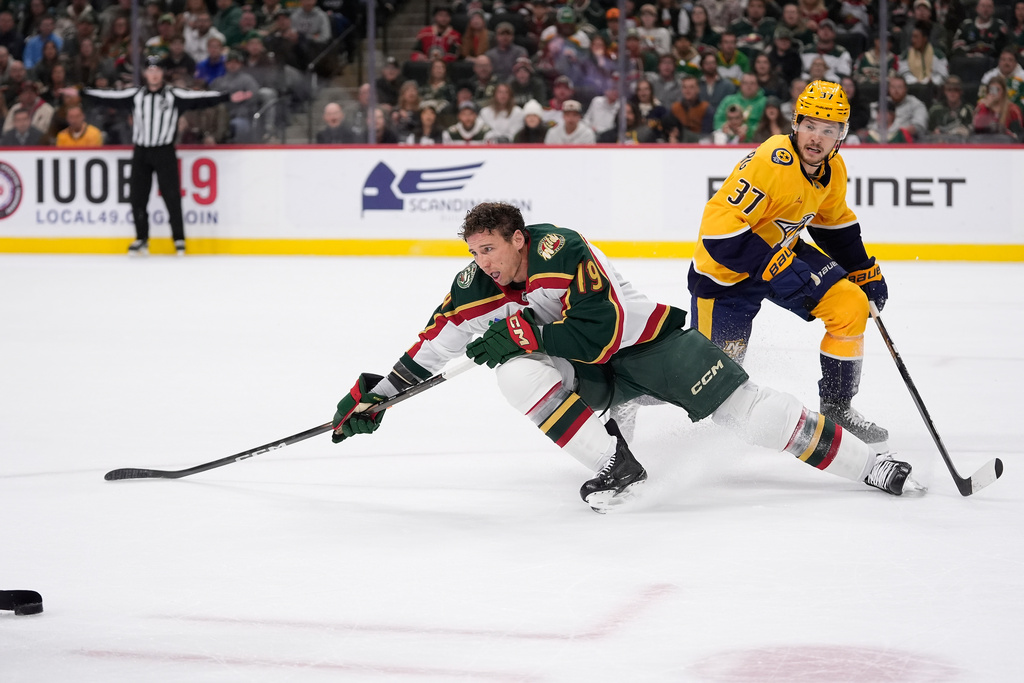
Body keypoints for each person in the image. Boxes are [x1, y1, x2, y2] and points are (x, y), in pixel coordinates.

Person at [330, 203, 915, 514]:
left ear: (518, 238)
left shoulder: (563, 250)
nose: (484, 262)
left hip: (645, 344)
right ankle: (618, 462)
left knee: (750, 414)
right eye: (474, 252)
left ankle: (869, 467)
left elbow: (602, 333)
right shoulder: (474, 285)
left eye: (491, 249)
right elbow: (434, 344)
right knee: (513, 375)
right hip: (592, 374)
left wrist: (522, 334)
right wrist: (380, 396)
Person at [688, 80, 895, 455]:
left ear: (840, 137)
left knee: (850, 305)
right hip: (725, 276)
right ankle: (631, 395)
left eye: (828, 130)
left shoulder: (833, 169)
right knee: (707, 384)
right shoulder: (773, 160)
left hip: (781, 255)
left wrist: (862, 268)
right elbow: (718, 235)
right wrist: (776, 266)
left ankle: (837, 408)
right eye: (810, 125)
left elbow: (833, 225)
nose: (816, 137)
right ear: (796, 123)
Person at [83, 57, 245, 256]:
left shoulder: (173, 95)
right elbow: (107, 97)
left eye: (157, 70)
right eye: (150, 70)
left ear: (162, 73)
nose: (154, 74)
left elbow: (201, 98)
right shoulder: (135, 95)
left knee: (172, 196)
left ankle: (178, 239)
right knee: (137, 197)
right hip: (141, 151)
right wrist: (83, 93)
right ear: (145, 74)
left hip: (164, 151)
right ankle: (141, 238)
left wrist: (227, 97)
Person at [713, 72, 766, 142]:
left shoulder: (764, 102)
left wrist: (749, 131)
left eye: (752, 83)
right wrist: (723, 126)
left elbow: (766, 124)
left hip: (756, 142)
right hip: (727, 141)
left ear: (758, 85)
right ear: (740, 84)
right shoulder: (728, 100)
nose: (749, 86)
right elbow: (718, 120)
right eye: (745, 83)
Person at [972, 74, 1024, 140]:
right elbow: (977, 129)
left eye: (997, 90)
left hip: (1006, 145)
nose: (994, 93)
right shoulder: (982, 107)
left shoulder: (1013, 109)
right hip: (985, 143)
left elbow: (1018, 135)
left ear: (1003, 91)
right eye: (991, 89)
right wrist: (986, 108)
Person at [928, 74, 974, 138]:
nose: (952, 93)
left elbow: (975, 133)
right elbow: (927, 133)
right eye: (949, 89)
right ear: (944, 91)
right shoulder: (935, 110)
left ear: (961, 92)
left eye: (956, 89)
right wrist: (934, 133)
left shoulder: (969, 109)